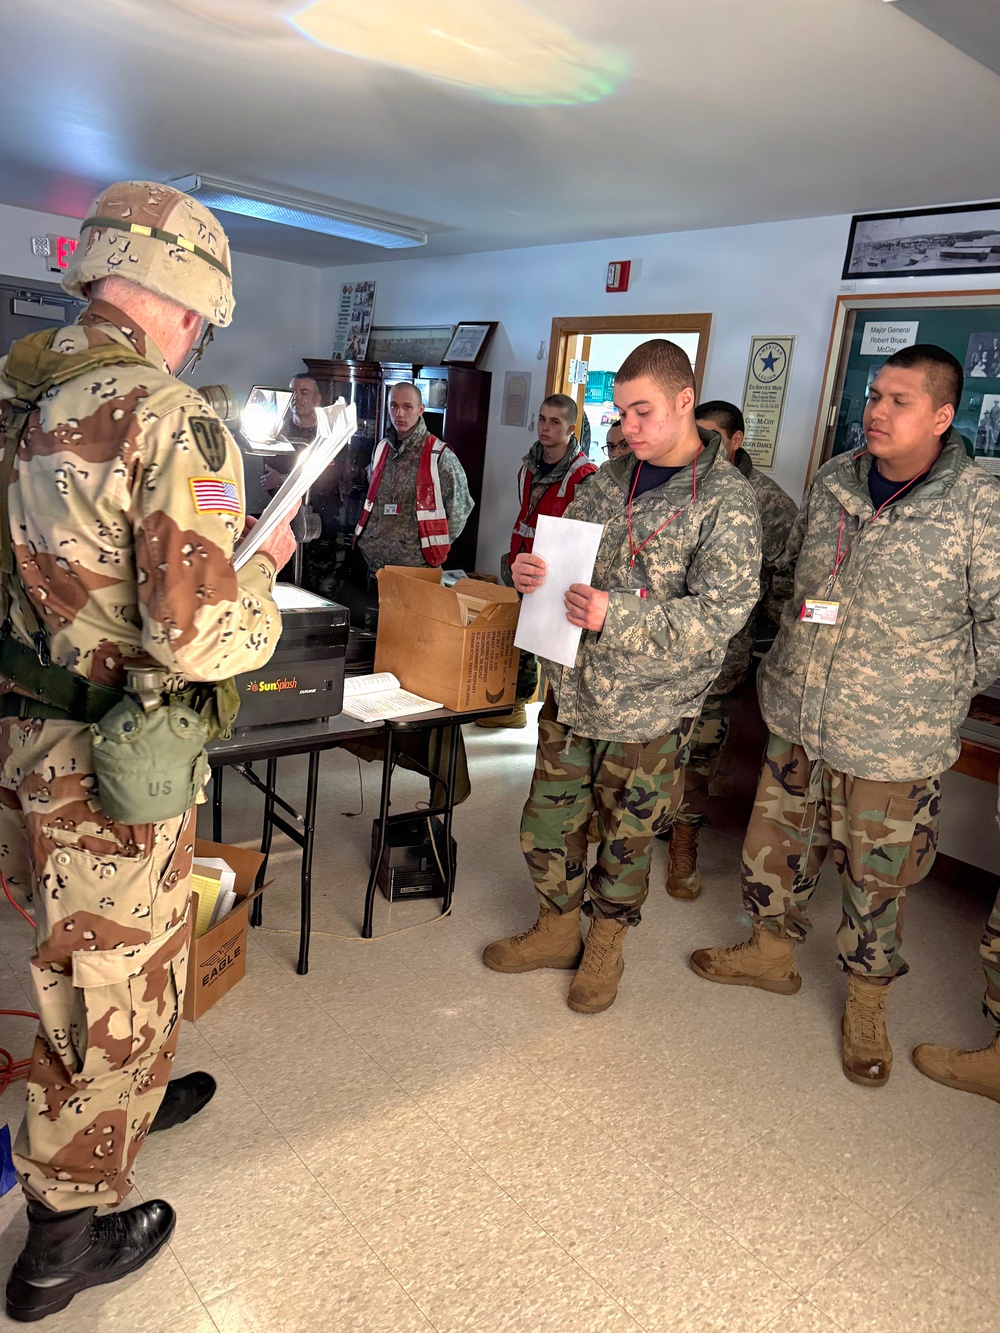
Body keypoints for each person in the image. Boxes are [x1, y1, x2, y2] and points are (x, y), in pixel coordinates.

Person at [0, 180, 298, 1322]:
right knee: (106, 982)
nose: (196, 336)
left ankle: (121, 1100)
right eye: (201, 316)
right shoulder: (167, 413)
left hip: (31, 740)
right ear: (181, 295)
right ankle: (64, 1235)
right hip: (113, 762)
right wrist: (260, 577)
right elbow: (200, 632)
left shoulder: (27, 392)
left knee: (83, 956)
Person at [690, 344, 1000, 1089]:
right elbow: (796, 571)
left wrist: (927, 690)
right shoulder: (834, 479)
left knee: (876, 879)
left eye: (899, 399)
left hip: (893, 741)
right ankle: (769, 950)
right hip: (801, 712)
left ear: (942, 416)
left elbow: (995, 629)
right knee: (775, 849)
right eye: (873, 394)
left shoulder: (977, 506)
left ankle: (866, 1001)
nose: (877, 410)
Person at [482, 339, 761, 1014]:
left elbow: (719, 616)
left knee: (627, 837)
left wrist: (618, 615)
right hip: (574, 694)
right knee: (548, 824)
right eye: (621, 412)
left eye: (642, 412)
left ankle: (605, 940)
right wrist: (528, 576)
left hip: (648, 711)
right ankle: (555, 928)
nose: (627, 426)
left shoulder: (727, 501)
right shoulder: (606, 483)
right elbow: (566, 570)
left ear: (684, 402)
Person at [662, 400, 798, 899]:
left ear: (736, 439)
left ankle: (684, 843)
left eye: (712, 435)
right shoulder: (677, 483)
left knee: (698, 756)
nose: (701, 444)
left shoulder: (768, 502)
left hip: (720, 659)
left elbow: (788, 579)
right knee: (647, 750)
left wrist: (768, 637)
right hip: (659, 654)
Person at [478, 393, 596, 730]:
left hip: (556, 574)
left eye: (555, 422)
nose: (545, 427)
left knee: (546, 641)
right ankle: (514, 703)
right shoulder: (529, 464)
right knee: (520, 635)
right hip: (522, 564)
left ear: (571, 428)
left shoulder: (584, 475)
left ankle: (535, 708)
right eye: (542, 419)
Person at [353, 381, 473, 572]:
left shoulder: (439, 455)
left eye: (407, 407)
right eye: (394, 406)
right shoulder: (381, 449)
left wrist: (430, 549)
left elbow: (460, 511)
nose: (399, 413)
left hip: (418, 568)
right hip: (376, 567)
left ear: (420, 409)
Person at [261, 374, 323, 495]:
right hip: (282, 505)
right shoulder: (277, 431)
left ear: (317, 400)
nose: (297, 397)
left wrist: (283, 479)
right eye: (293, 393)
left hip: (319, 509)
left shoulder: (327, 434)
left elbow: (324, 480)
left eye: (304, 393)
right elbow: (269, 478)